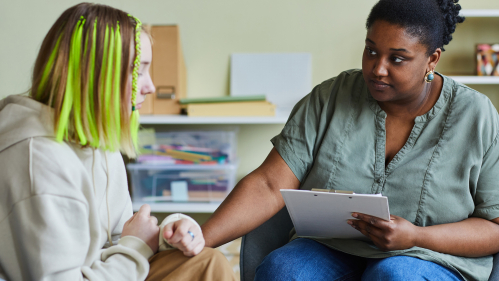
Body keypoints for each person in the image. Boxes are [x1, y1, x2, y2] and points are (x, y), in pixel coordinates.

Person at [201, 0, 499, 280]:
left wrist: (417, 236)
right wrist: (197, 241)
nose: (378, 69)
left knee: (395, 275)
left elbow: (494, 227)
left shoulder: (476, 115)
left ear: (431, 59)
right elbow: (268, 184)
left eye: (397, 58)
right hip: (331, 247)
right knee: (285, 270)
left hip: (428, 255)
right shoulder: (329, 97)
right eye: (371, 51)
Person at [0, 3, 235, 281]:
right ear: (97, 74)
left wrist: (170, 234)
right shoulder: (38, 160)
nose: (150, 86)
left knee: (208, 261)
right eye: (139, 71)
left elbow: (116, 236)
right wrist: (135, 247)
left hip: (104, 271)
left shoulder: (97, 140)